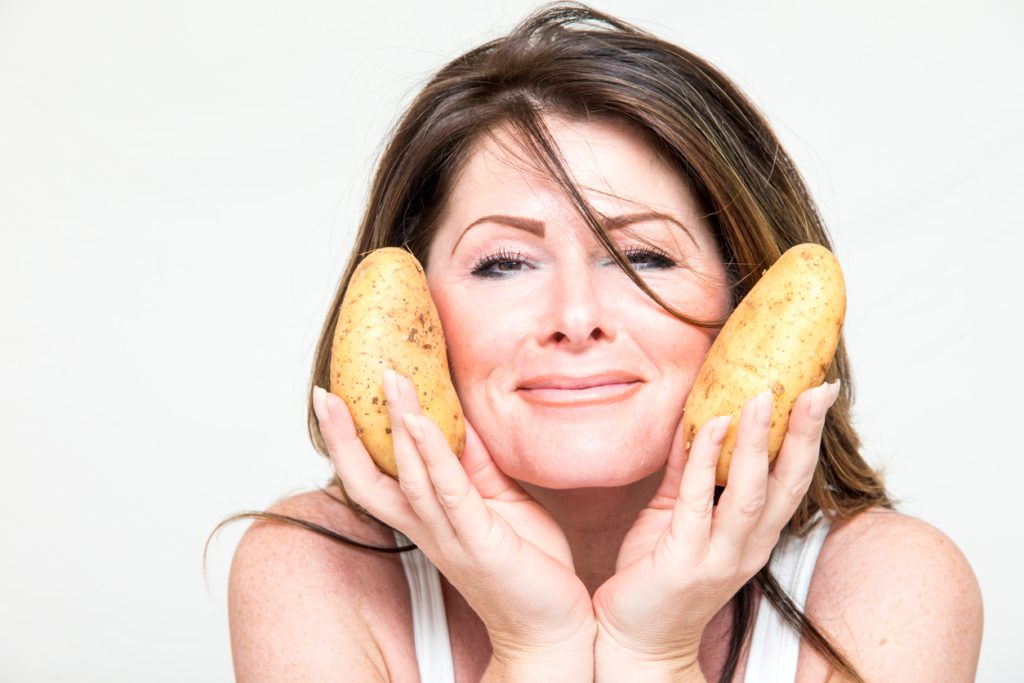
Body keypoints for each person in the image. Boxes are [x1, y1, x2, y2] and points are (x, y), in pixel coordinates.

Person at [221, 4, 983, 681]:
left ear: (743, 304)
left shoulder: (892, 591)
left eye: (642, 256)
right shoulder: (314, 572)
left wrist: (653, 654)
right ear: (415, 312)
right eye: (504, 262)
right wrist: (535, 646)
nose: (576, 314)